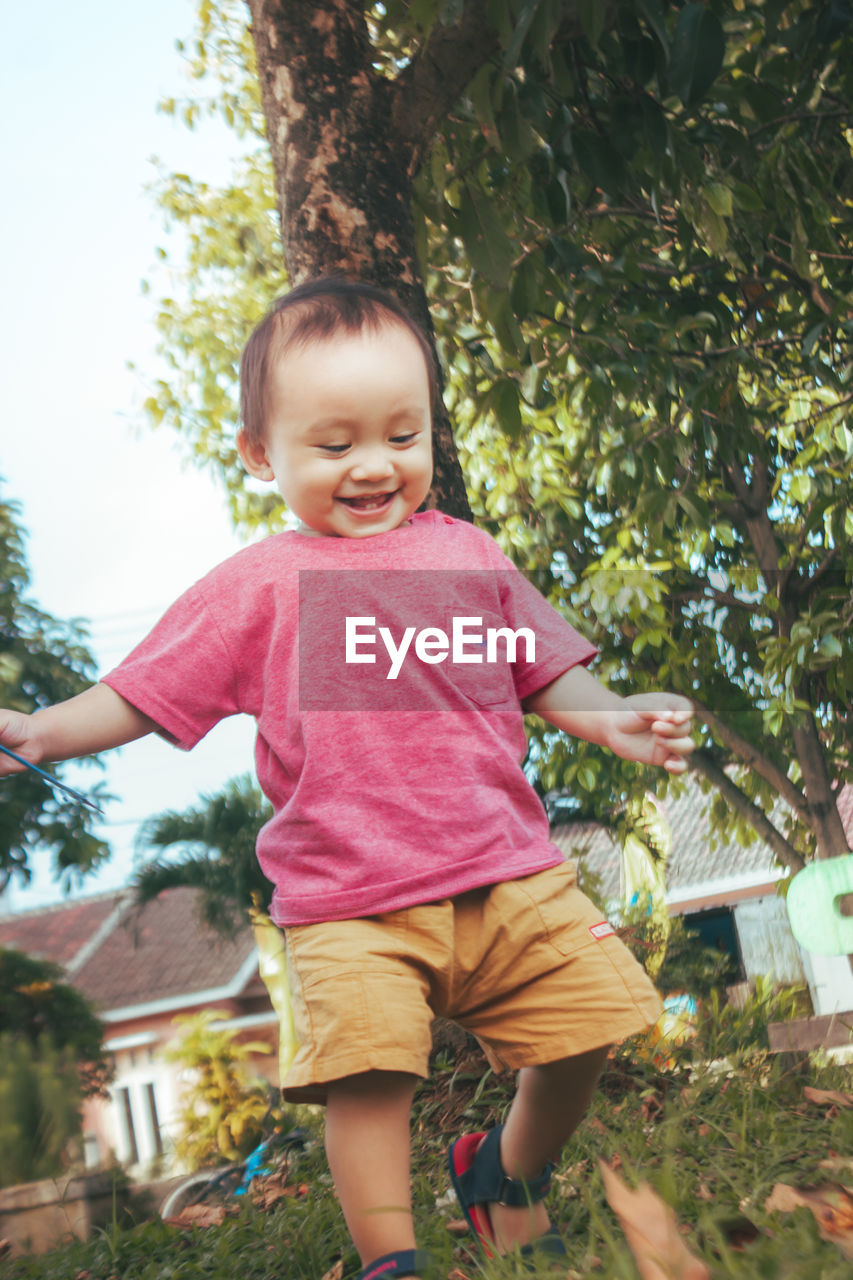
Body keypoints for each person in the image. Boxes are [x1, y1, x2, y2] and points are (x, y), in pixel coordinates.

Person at [0, 279, 693, 1279]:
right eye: (335, 446)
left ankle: (502, 1173)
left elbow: (541, 669)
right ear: (259, 453)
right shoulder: (259, 586)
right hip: (349, 903)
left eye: (401, 435)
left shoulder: (467, 554)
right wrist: (45, 730)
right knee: (367, 1080)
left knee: (589, 1024)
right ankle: (392, 1258)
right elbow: (144, 690)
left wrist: (614, 717)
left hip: (507, 874)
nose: (374, 465)